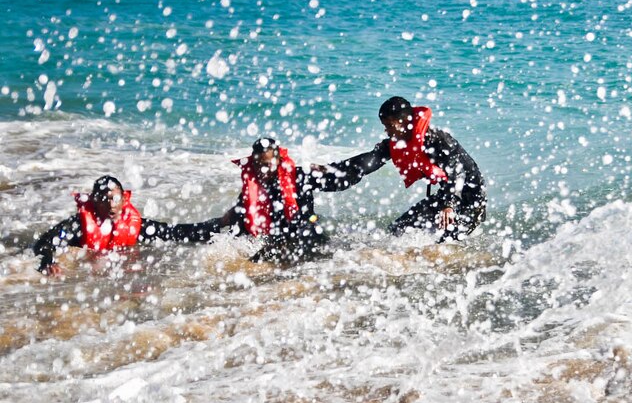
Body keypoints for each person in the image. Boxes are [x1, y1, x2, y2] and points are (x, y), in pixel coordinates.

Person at [348, 97, 486, 241]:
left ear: (404, 121)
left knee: (445, 243)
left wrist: (448, 205)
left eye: (389, 125)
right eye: (385, 126)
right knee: (396, 230)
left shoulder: (438, 140)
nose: (387, 131)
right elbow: (366, 161)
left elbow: (457, 173)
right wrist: (329, 171)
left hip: (471, 201)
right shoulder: (398, 142)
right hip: (445, 196)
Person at [221, 137, 372, 262]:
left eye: (267, 165)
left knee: (303, 238)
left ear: (279, 160)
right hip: (276, 238)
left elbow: (340, 181)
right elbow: (242, 212)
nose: (262, 170)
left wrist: (377, 156)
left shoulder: (300, 176)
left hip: (305, 233)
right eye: (258, 165)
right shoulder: (254, 186)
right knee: (222, 231)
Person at [32, 175, 221, 275]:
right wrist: (48, 261)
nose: (111, 205)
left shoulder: (134, 226)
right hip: (87, 275)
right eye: (104, 200)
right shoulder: (78, 226)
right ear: (94, 201)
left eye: (115, 198)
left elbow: (175, 233)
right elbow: (44, 242)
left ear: (124, 199)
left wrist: (219, 225)